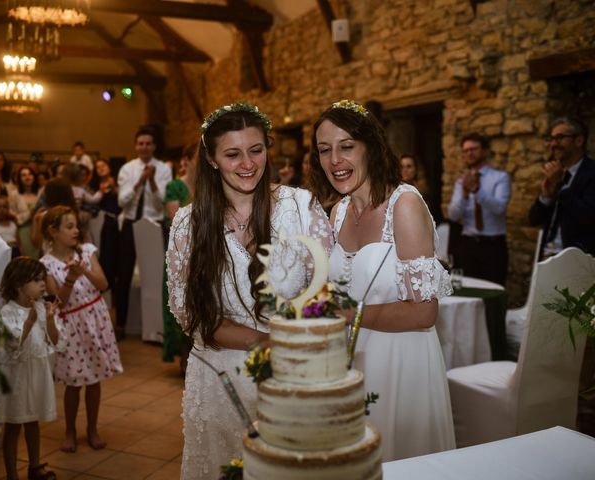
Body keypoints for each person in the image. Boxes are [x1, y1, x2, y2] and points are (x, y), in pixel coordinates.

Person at [166, 103, 332, 479]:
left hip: (291, 380)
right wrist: (267, 341)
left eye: (256, 150)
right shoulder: (187, 224)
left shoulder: (300, 208)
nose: (248, 164)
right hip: (218, 380)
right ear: (210, 158)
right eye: (232, 154)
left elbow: (327, 294)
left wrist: (295, 345)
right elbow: (191, 316)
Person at [308, 99, 455, 461]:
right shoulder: (339, 210)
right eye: (325, 150)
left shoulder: (403, 205)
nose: (335, 161)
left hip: (401, 360)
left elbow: (424, 314)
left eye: (346, 147)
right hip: (351, 362)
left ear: (370, 146)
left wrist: (350, 315)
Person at [40, 206, 122, 453]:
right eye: (69, 226)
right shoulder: (46, 264)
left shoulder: (87, 251)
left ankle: (92, 428)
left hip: (94, 318)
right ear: (53, 231)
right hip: (71, 324)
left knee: (94, 378)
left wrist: (82, 268)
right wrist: (70, 279)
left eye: (76, 226)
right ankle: (70, 430)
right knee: (74, 381)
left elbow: (103, 283)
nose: (76, 230)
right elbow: (58, 302)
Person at [0, 256, 63, 480]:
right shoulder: (7, 312)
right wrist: (29, 322)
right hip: (17, 379)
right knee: (13, 426)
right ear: (19, 285)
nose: (43, 283)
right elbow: (13, 345)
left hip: (36, 375)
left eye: (43, 278)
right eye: (36, 280)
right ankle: (12, 474)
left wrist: (49, 319)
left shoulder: (42, 308)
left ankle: (35, 466)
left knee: (33, 422)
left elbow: (56, 341)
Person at [116, 127, 172, 338]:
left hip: (154, 224)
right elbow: (122, 201)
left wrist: (152, 183)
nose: (144, 147)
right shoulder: (128, 169)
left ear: (154, 146)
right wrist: (140, 182)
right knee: (124, 275)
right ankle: (120, 324)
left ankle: (157, 328)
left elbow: (163, 203)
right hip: (131, 223)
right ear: (135, 146)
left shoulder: (164, 169)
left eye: (148, 143)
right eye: (141, 143)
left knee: (156, 277)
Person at [447, 133, 511, 286]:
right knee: (469, 290)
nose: (469, 153)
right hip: (467, 245)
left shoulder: (500, 178)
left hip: (493, 246)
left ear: (485, 151)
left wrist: (476, 190)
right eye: (465, 150)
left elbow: (499, 209)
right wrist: (463, 194)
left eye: (473, 149)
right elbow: (453, 216)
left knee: (494, 289)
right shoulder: (461, 181)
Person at [529, 116, 595, 257]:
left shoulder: (591, 172)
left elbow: (589, 216)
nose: (553, 144)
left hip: (579, 259)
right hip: (546, 255)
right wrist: (546, 197)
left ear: (579, 140)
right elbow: (533, 220)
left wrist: (560, 187)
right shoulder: (557, 173)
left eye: (559, 138)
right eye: (551, 139)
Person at [163, 144, 196, 370]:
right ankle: (185, 357)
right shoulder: (175, 186)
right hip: (182, 253)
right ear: (188, 159)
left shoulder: (212, 185)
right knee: (183, 302)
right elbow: (176, 220)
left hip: (206, 251)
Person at [93, 158, 121, 293]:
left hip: (120, 221)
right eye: (98, 167)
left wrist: (114, 187)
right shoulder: (95, 186)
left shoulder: (118, 180)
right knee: (107, 254)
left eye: (103, 165)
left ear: (109, 167)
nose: (101, 168)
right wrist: (101, 192)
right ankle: (106, 285)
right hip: (106, 222)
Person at [14, 166, 40, 258]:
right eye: (23, 175)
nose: (27, 177)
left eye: (30, 174)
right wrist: (29, 214)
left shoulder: (40, 194)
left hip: (40, 231)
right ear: (19, 179)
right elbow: (13, 217)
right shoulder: (15, 195)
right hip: (24, 230)